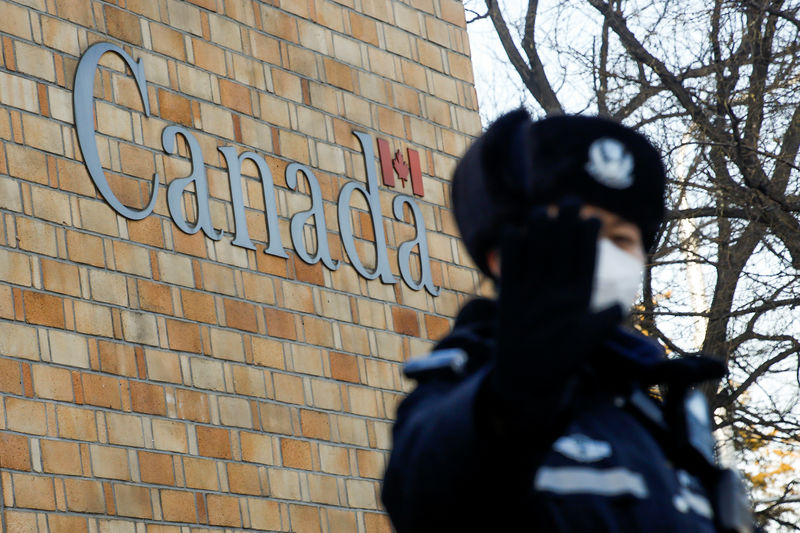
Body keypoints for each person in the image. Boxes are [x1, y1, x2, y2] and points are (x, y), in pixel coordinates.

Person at [381, 110, 756, 532]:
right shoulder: (463, 395)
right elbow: (426, 497)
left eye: (621, 240)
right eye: (580, 233)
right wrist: (518, 395)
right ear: (504, 256)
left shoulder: (662, 425)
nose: (603, 254)